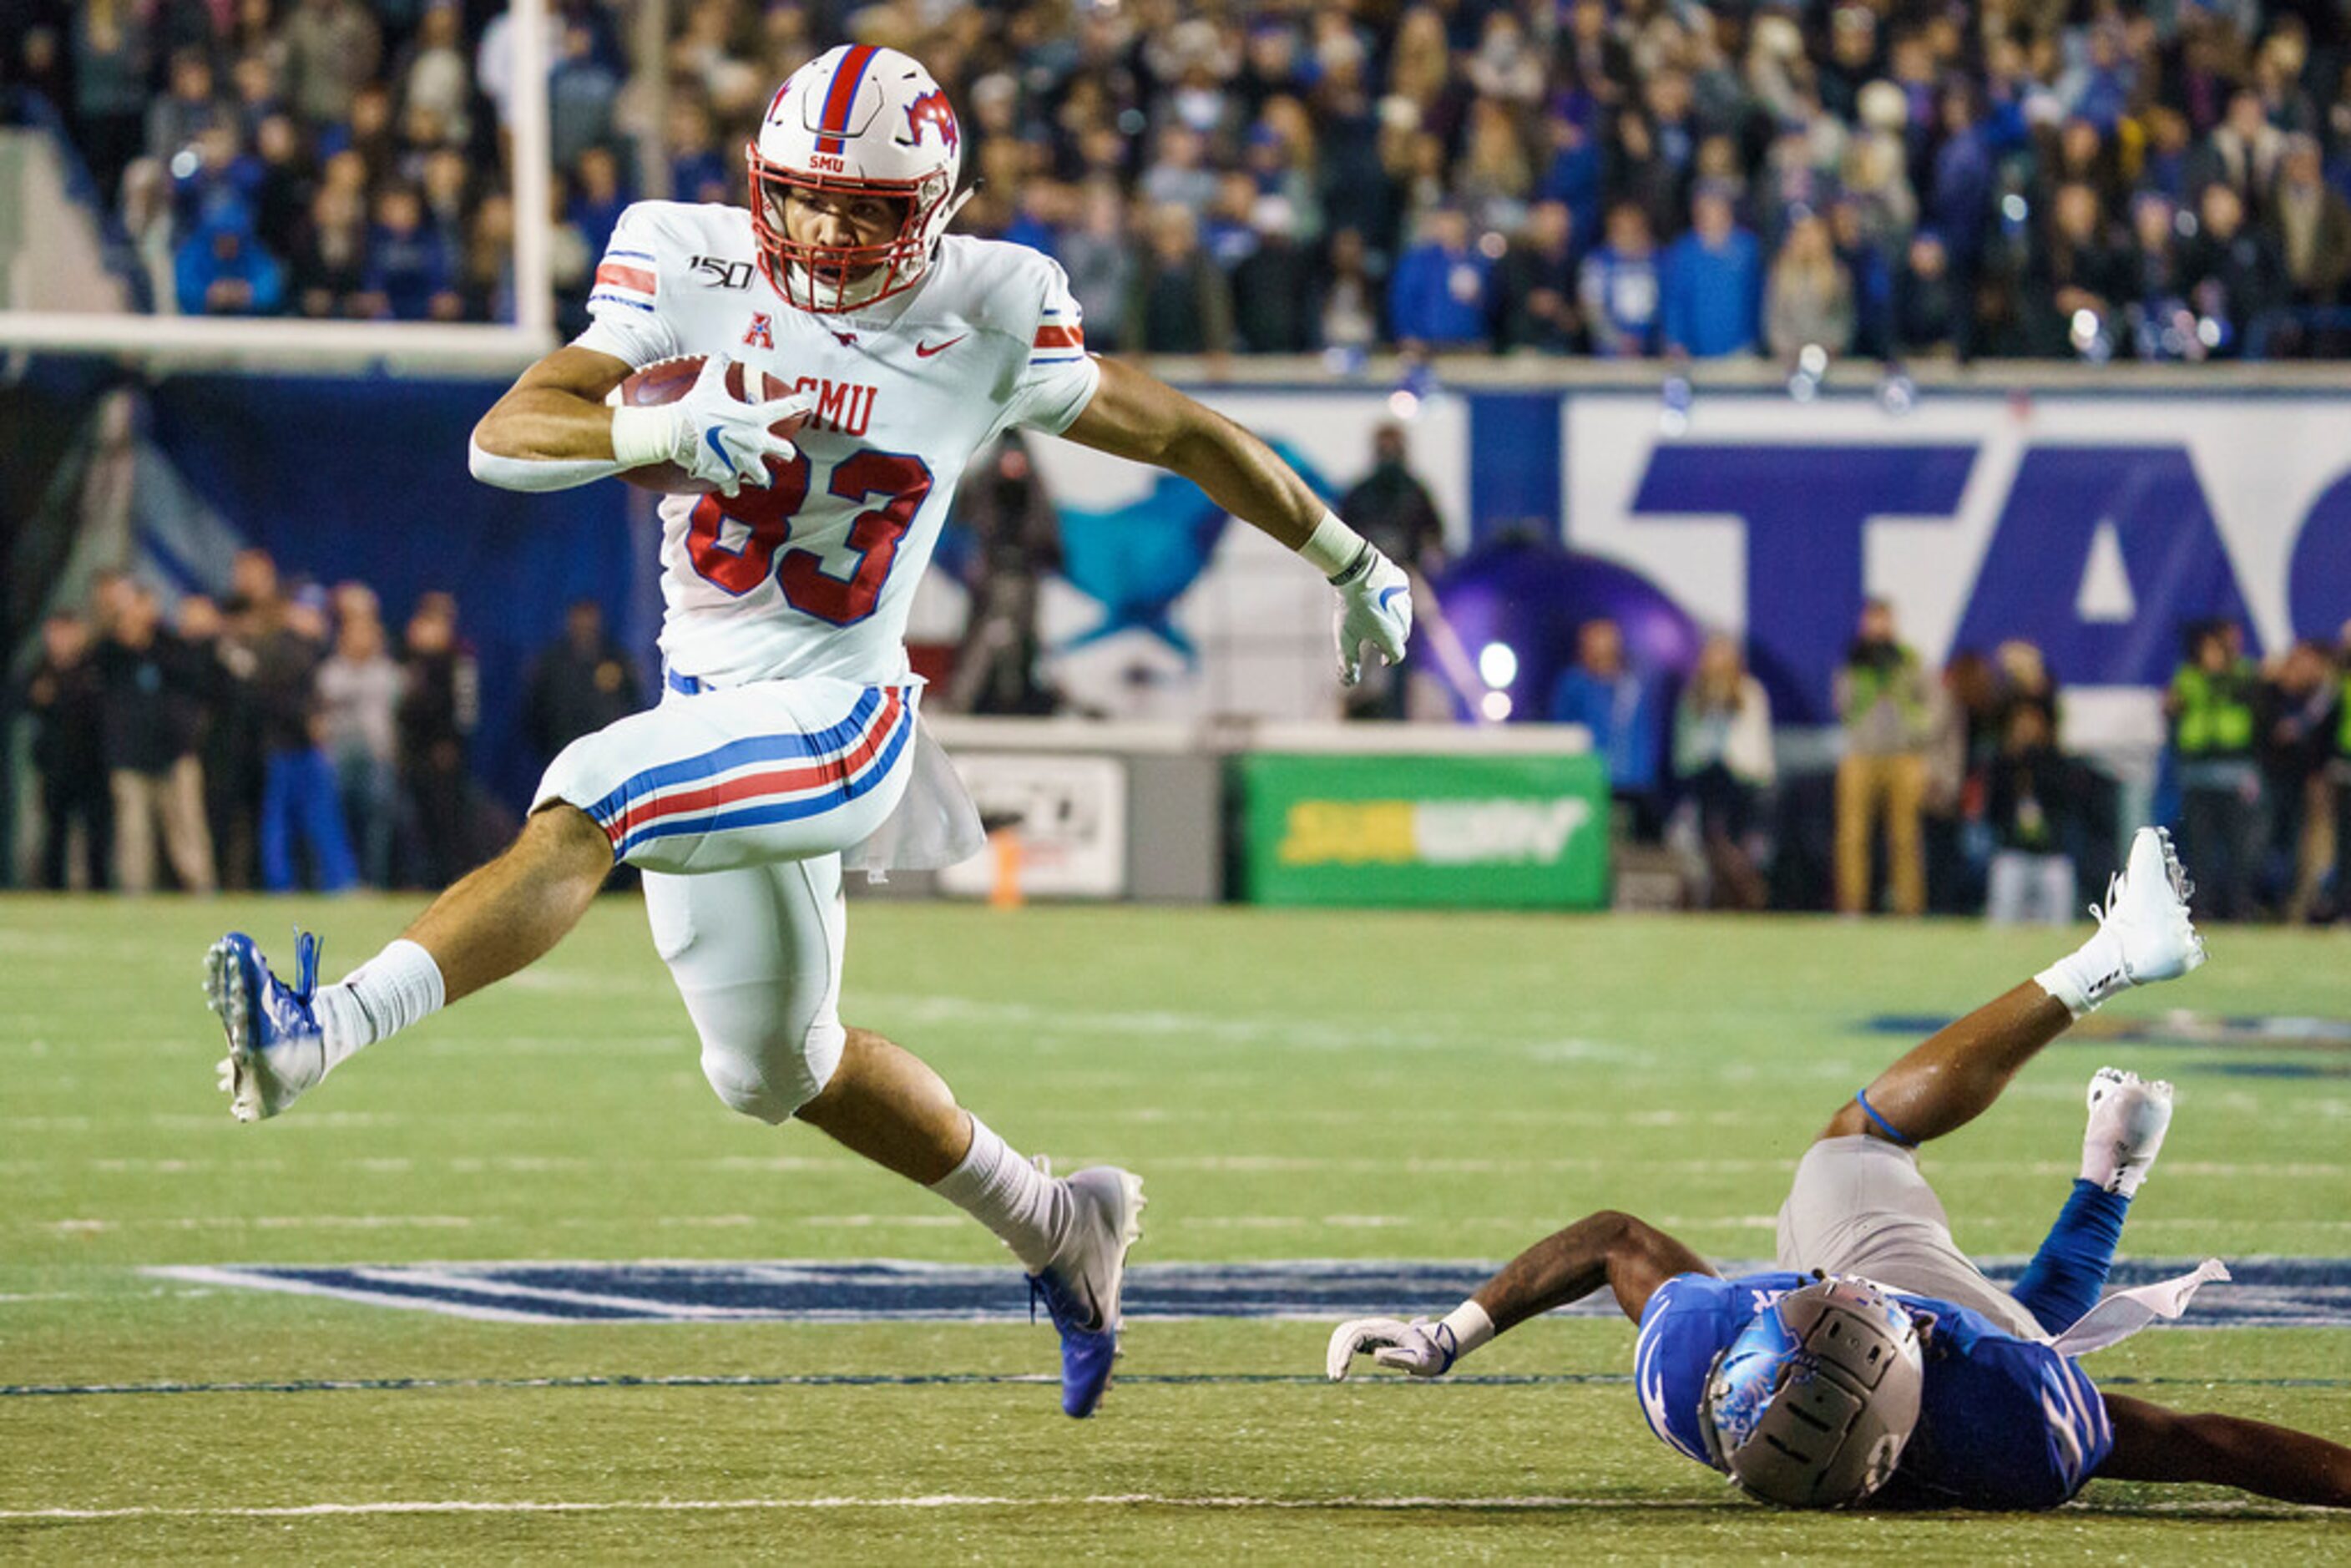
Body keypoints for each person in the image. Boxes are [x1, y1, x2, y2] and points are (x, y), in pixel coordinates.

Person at [203, 43, 1413, 1424]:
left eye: (863, 207)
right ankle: (1060, 1220)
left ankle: (321, 1029)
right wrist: (656, 431)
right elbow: (507, 430)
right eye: (802, 197)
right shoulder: (684, 254)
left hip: (844, 709)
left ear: (934, 206)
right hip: (714, 708)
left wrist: (1349, 557)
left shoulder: (995, 304)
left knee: (590, 790)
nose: (827, 233)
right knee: (772, 1065)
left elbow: (1185, 434)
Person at [1332, 829, 2351, 1512]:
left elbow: (1611, 1240)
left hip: (1912, 1352)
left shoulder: (1697, 1354)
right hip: (1976, 1358)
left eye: (1823, 1298)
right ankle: (2110, 990)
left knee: (2016, 1326)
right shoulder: (2000, 1423)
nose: (1858, 1294)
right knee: (1873, 1167)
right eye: (1876, 1311)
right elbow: (2204, 1446)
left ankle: (2112, 1159)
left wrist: (1447, 1334)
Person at [1834, 598, 1934, 916]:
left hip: (1904, 756)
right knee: (1852, 835)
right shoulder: (1854, 661)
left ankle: (1909, 907)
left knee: (1905, 838)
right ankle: (1852, 906)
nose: (1877, 628)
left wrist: (1917, 733)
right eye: (1871, 621)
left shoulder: (1907, 660)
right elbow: (1842, 705)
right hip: (1862, 754)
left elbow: (1931, 703)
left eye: (1883, 620)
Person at [2165, 620, 2263, 920]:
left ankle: (2240, 907)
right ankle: (2201, 907)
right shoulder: (2189, 677)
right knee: (2200, 848)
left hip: (2234, 771)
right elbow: (2177, 709)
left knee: (2240, 848)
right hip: (2199, 771)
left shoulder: (2244, 674)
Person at [1672, 632, 1772, 909]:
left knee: (1735, 836)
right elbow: (1685, 742)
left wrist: (1758, 773)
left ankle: (1740, 892)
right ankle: (1721, 891)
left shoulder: (1751, 692)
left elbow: (1757, 742)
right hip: (1704, 776)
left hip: (1742, 779)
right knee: (1708, 836)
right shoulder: (1693, 695)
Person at [19, 611, 113, 891]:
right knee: (54, 834)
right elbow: (18, 700)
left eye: (65, 632)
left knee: (96, 835)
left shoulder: (95, 666)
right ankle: (54, 890)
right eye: (55, 633)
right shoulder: (39, 669)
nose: (59, 639)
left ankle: (99, 891)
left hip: (92, 765)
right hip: (54, 766)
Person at [1548, 617, 1664, 837]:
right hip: (1591, 777)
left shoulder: (1633, 683)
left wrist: (1647, 771)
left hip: (1634, 782)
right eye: (1594, 641)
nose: (1601, 647)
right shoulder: (1574, 684)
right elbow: (1563, 729)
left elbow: (1648, 732)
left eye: (1606, 640)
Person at [523, 599, 643, 764]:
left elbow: (632, 700)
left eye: (590, 617)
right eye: (580, 617)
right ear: (570, 621)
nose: (585, 624)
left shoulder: (616, 658)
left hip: (607, 753)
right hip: (563, 750)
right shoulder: (552, 663)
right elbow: (536, 708)